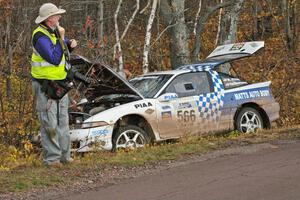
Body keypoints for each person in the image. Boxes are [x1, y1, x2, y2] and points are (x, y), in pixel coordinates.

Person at [31, 3, 77, 166]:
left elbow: (63, 51)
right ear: (50, 19)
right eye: (57, 15)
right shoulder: (39, 36)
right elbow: (54, 58)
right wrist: (62, 40)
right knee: (49, 123)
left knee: (63, 121)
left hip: (61, 84)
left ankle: (65, 157)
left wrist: (69, 44)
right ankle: (52, 159)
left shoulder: (54, 32)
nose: (59, 18)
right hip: (45, 86)